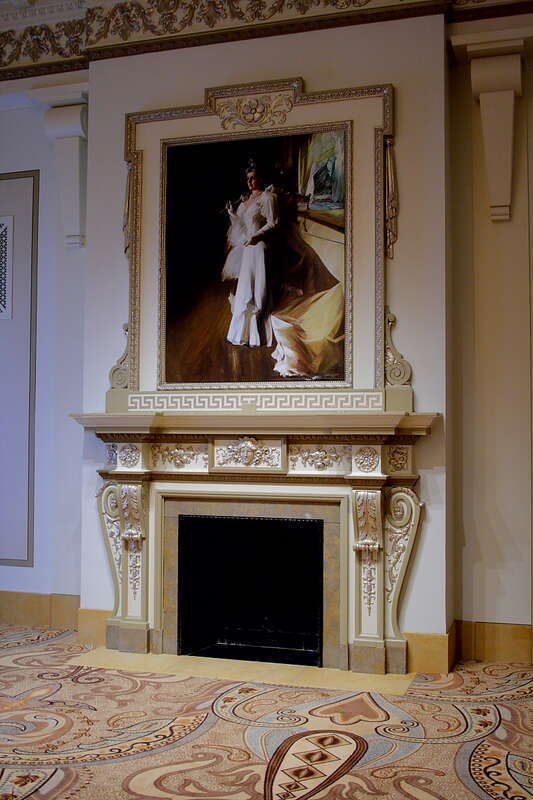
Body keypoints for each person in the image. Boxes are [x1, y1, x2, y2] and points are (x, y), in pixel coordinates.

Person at [222, 162, 279, 347]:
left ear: (261, 178)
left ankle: (259, 335)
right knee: (245, 290)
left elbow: (273, 223)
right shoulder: (245, 202)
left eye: (254, 178)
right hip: (248, 250)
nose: (250, 182)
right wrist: (232, 213)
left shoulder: (268, 198)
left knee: (259, 290)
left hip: (260, 247)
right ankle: (242, 334)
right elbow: (241, 227)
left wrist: (255, 237)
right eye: (248, 179)